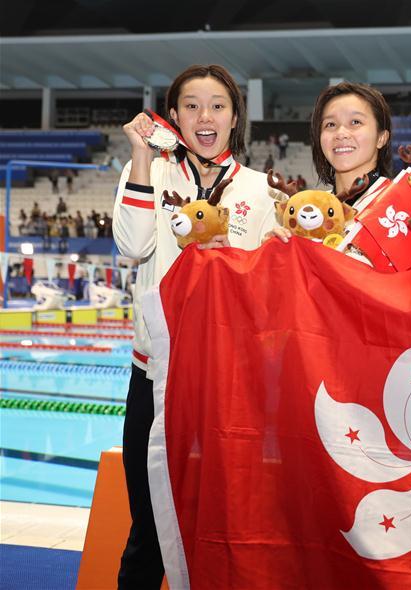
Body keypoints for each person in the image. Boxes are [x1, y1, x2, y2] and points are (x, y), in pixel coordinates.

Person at [112, 64, 278, 590]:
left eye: (217, 106)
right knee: (148, 530)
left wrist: (235, 263)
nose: (205, 116)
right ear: (174, 115)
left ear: (234, 117)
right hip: (154, 377)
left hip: (227, 384)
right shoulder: (151, 172)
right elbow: (133, 245)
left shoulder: (259, 189)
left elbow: (271, 291)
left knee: (223, 526)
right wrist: (141, 155)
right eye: (191, 106)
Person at [268, 82, 394, 252]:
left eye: (355, 122)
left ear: (381, 138)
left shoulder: (401, 205)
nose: (340, 133)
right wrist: (278, 253)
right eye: (330, 124)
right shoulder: (306, 213)